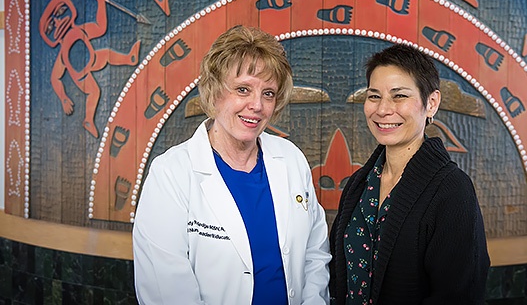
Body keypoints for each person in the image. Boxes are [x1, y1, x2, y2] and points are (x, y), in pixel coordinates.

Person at [133, 25, 331, 304]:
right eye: (242, 89)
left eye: (268, 93)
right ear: (214, 92)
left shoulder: (291, 159)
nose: (257, 105)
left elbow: (315, 252)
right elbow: (166, 288)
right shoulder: (170, 173)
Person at [329, 43, 490, 304]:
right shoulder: (359, 184)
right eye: (374, 96)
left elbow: (460, 296)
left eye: (399, 96)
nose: (383, 109)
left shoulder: (452, 190)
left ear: (431, 103)